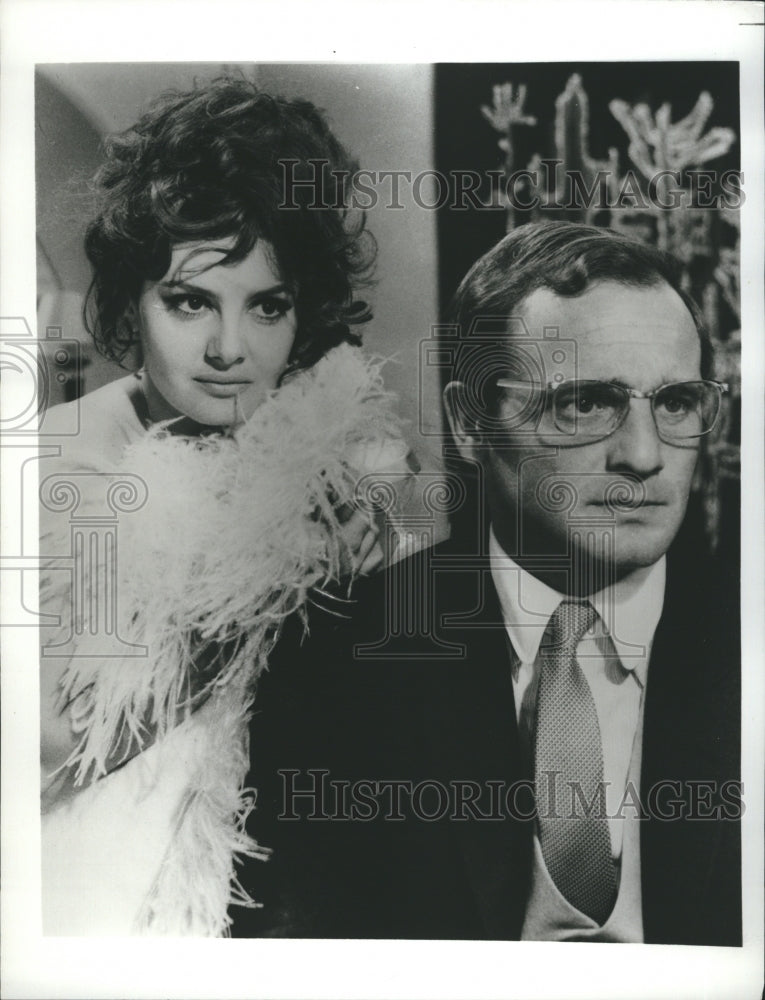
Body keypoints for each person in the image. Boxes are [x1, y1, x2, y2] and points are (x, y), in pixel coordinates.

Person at [236, 221, 741, 946]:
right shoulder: (337, 655)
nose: (643, 455)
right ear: (469, 423)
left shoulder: (745, 640)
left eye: (676, 403)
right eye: (585, 403)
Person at [38, 77, 409, 936]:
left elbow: (425, 507)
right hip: (94, 895)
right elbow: (54, 740)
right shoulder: (67, 458)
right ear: (132, 297)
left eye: (267, 306)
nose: (228, 349)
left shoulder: (318, 438)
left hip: (280, 890)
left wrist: (380, 526)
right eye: (189, 301)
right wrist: (262, 579)